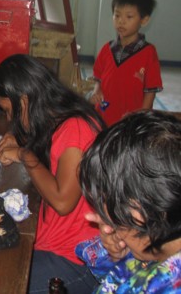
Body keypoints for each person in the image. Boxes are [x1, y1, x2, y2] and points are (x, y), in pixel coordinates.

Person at [0, 54, 104, 294]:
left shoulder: (76, 128)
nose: (9, 119)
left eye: (9, 110)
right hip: (56, 244)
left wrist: (24, 154)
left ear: (24, 101)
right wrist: (21, 139)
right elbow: (54, 155)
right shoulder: (61, 119)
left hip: (76, 260)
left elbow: (63, 202)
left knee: (1, 284)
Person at [76, 110, 181, 293]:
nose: (107, 221)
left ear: (137, 214)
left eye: (104, 198)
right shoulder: (162, 239)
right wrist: (123, 256)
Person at [90, 0, 162, 126]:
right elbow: (98, 78)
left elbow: (151, 90)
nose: (121, 21)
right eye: (117, 15)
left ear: (144, 20)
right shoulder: (107, 49)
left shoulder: (148, 53)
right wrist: (97, 91)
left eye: (129, 17)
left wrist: (141, 117)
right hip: (103, 116)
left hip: (130, 122)